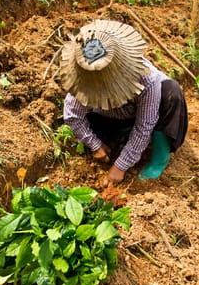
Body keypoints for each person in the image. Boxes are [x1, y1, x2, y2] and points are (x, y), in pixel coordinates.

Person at [60, 19, 188, 185]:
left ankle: (158, 160)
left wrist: (120, 167)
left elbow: (144, 126)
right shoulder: (84, 79)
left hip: (146, 113)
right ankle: (124, 136)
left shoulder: (146, 79)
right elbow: (73, 116)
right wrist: (96, 145)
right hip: (114, 118)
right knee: (89, 125)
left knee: (172, 93)